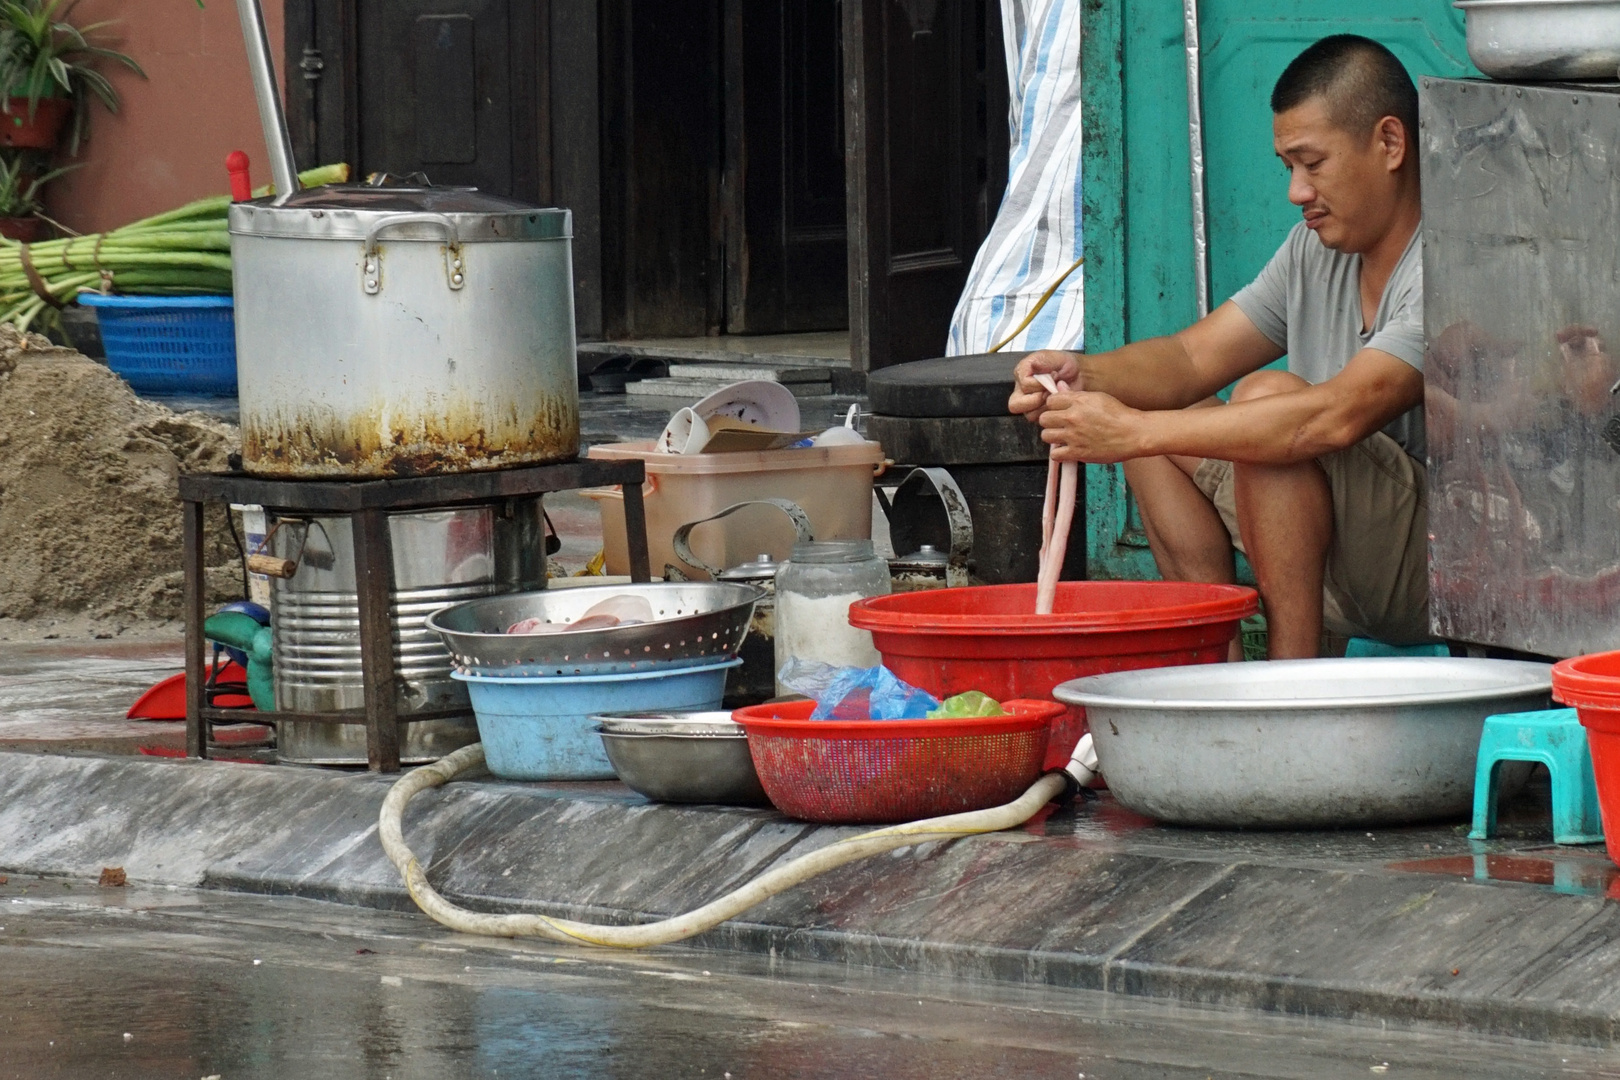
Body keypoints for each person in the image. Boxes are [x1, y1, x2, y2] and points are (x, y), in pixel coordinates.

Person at [1009, 34, 1430, 660]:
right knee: (1141, 408)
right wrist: (1085, 374)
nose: (1297, 191)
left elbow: (1335, 415)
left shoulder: (1448, 261)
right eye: (1289, 167)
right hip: (1326, 548)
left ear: (1390, 143)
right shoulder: (1312, 251)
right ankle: (1214, 666)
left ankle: (1290, 684)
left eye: (1313, 164)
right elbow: (1187, 361)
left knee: (1264, 402)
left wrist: (1138, 429)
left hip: (1431, 572)